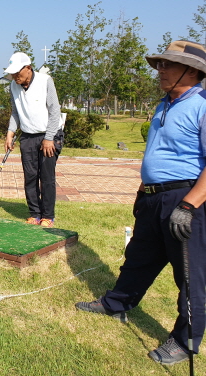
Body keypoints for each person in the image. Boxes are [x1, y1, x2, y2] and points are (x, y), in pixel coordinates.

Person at [75, 40, 206, 366]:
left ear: (191, 71)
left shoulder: (203, 105)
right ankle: (118, 302)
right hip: (152, 198)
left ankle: (185, 341)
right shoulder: (166, 103)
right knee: (139, 258)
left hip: (186, 198)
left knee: (191, 276)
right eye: (159, 64)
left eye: (167, 65)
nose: (160, 71)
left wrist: (188, 205)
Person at [3, 52, 64, 227]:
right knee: (30, 176)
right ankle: (34, 214)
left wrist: (49, 138)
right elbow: (15, 112)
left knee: (46, 177)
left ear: (28, 68)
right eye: (12, 73)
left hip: (49, 135)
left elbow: (54, 112)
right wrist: (10, 133)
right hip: (28, 136)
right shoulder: (13, 86)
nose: (15, 77)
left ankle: (48, 216)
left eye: (17, 73)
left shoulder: (45, 81)